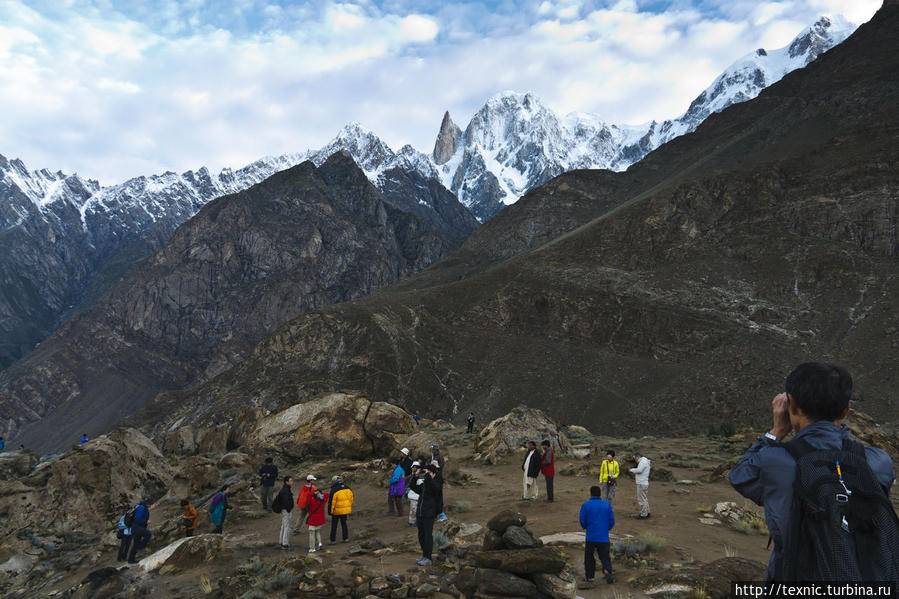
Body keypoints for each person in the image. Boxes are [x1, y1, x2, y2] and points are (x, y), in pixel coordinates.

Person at [730, 363, 896, 582]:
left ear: (792, 406)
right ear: (846, 410)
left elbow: (740, 476)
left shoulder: (775, 462)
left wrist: (776, 432)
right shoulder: (878, 462)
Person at [579, 485, 615, 584]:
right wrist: (606, 529)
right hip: (603, 536)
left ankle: (590, 577)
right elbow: (612, 520)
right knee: (605, 556)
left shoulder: (586, 505)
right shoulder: (607, 505)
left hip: (591, 536)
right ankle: (607, 570)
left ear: (590, 494)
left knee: (589, 556)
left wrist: (586, 527)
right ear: (600, 494)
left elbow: (582, 520)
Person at [411, 463, 443, 566]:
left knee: (428, 535)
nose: (426, 474)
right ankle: (424, 555)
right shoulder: (425, 484)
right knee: (421, 535)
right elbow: (413, 487)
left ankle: (428, 558)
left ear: (433, 473)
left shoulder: (437, 482)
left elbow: (436, 489)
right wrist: (415, 477)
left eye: (428, 472)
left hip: (429, 513)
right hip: (421, 513)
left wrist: (428, 477)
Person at [328, 476, 354, 543]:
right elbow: (351, 498)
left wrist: (330, 511)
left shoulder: (334, 490)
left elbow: (331, 503)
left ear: (334, 482)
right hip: (345, 510)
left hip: (336, 511)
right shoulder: (347, 488)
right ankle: (345, 538)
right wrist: (348, 506)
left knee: (334, 525)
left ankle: (333, 540)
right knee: (344, 524)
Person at [128, 497, 152, 564]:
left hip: (136, 528)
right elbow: (138, 519)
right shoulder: (141, 508)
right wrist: (146, 521)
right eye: (150, 504)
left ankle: (131, 560)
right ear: (147, 503)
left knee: (135, 544)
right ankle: (141, 548)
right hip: (137, 527)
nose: (151, 505)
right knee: (148, 534)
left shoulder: (142, 507)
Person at [306, 488, 329, 552]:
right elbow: (327, 494)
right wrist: (320, 494)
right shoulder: (323, 500)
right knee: (317, 531)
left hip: (313, 520)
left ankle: (312, 548)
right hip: (320, 519)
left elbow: (308, 495)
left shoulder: (312, 501)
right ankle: (319, 544)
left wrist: (314, 493)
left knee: (312, 533)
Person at [429, 444, 447, 520]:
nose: (431, 451)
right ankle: (437, 513)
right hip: (437, 476)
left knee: (438, 496)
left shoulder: (438, 456)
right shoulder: (435, 455)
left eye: (432, 449)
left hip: (438, 477)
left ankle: (441, 514)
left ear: (435, 450)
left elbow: (439, 466)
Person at [630, 452, 651, 519]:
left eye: (635, 458)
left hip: (641, 483)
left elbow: (639, 470)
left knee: (641, 499)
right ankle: (647, 512)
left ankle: (643, 514)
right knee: (644, 498)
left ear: (638, 457)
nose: (635, 459)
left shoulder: (642, 462)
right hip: (644, 482)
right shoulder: (645, 461)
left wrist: (632, 470)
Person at [406, 461, 421, 526]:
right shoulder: (413, 475)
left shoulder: (418, 475)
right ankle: (412, 522)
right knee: (413, 509)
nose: (412, 468)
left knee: (414, 509)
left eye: (414, 467)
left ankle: (413, 522)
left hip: (415, 495)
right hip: (414, 495)